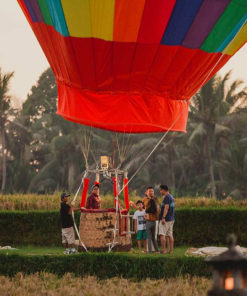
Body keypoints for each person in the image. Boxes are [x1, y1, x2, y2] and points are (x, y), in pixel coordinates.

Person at [159, 185, 175, 254]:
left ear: (164, 190)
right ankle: (170, 251)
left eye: (161, 190)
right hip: (171, 219)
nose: (160, 191)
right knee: (170, 235)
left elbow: (166, 208)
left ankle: (163, 250)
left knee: (162, 234)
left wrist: (163, 217)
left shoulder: (167, 197)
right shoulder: (170, 197)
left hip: (166, 219)